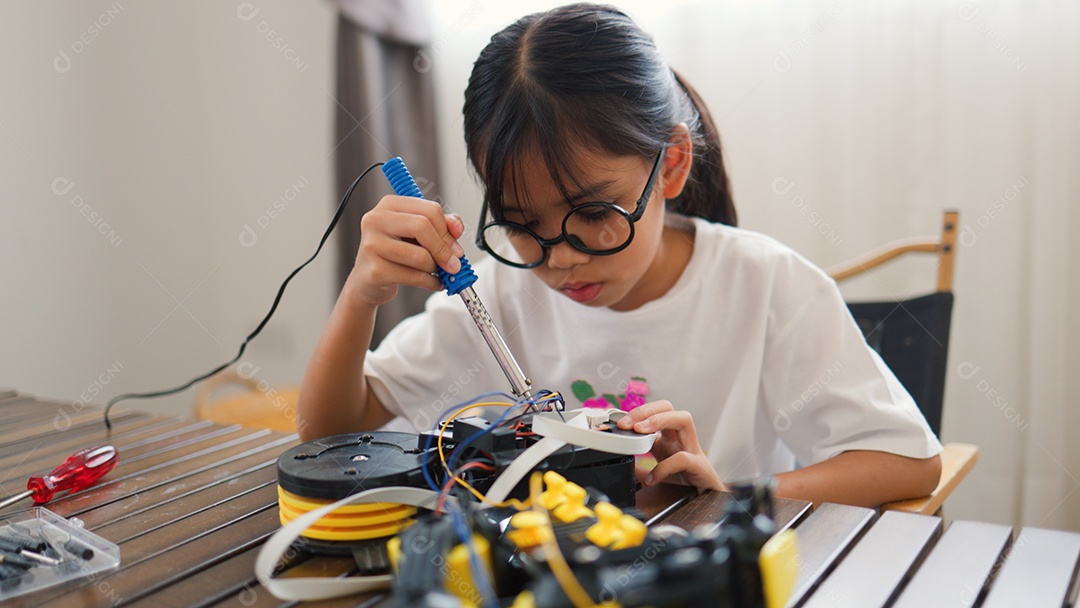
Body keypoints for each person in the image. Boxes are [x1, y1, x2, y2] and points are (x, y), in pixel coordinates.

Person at [299, 3, 942, 507]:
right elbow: (330, 437)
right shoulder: (498, 294)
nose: (560, 261)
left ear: (671, 166)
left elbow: (908, 460)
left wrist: (728, 497)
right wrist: (362, 295)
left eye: (596, 215)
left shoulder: (766, 286)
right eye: (523, 225)